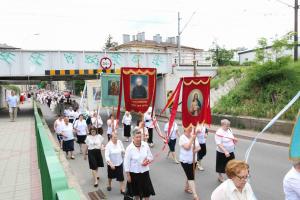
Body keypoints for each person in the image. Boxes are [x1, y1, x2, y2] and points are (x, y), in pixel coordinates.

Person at [124, 129, 155, 200]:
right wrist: (128, 175)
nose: (138, 139)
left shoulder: (145, 145)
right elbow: (126, 163)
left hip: (145, 173)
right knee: (136, 195)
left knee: (147, 194)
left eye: (140, 137)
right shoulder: (129, 148)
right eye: (137, 137)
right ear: (133, 138)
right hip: (134, 174)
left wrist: (147, 161)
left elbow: (151, 157)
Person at [179, 126, 201, 200]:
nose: (191, 129)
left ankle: (186, 188)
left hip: (193, 160)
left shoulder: (193, 136)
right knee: (191, 177)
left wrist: (196, 150)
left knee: (189, 174)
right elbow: (187, 147)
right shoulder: (182, 138)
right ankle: (195, 195)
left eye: (191, 128)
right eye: (189, 128)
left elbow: (199, 147)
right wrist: (192, 138)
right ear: (185, 129)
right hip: (185, 161)